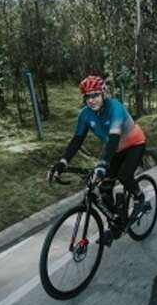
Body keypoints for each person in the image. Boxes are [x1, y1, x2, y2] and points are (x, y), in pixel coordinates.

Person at [47, 75, 147, 246]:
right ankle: (117, 220)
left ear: (103, 94)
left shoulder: (115, 107)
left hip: (134, 144)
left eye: (95, 95)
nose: (91, 100)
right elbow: (77, 140)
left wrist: (102, 164)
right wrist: (63, 162)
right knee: (103, 186)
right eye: (87, 96)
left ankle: (139, 196)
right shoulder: (85, 115)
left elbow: (114, 137)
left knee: (124, 176)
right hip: (114, 149)